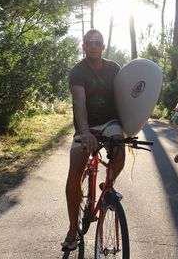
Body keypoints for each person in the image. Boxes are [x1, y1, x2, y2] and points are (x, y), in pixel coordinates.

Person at [61, 29, 125, 251]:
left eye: (98, 42)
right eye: (90, 42)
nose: (94, 45)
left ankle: (107, 186)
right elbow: (79, 101)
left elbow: (125, 94)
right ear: (84, 46)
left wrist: (132, 123)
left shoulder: (114, 68)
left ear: (103, 46)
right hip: (86, 126)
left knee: (119, 150)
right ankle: (72, 229)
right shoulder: (78, 71)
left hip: (109, 122)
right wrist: (85, 131)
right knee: (74, 174)